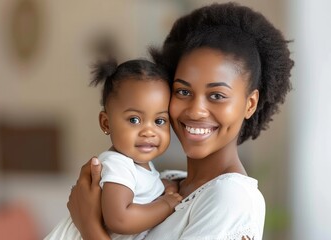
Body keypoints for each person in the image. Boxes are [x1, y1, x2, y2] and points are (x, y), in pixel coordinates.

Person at [67, 2, 294, 240]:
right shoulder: (168, 183)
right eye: (183, 92)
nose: (196, 111)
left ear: (250, 104)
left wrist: (89, 225)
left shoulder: (231, 197)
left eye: (216, 96)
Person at [45, 59, 183, 240]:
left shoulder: (138, 166)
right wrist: (165, 204)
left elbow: (139, 193)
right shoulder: (118, 164)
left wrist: (163, 187)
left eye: (159, 121)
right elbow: (120, 219)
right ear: (106, 123)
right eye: (134, 120)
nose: (149, 132)